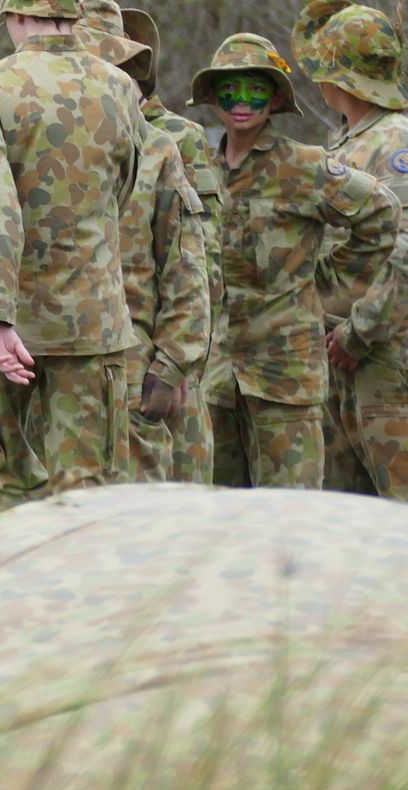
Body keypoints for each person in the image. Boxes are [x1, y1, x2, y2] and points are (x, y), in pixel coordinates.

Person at [187, 33, 400, 489]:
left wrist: (323, 283)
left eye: (255, 90)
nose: (241, 102)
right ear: (213, 96)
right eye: (229, 89)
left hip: (285, 380)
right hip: (218, 380)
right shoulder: (200, 167)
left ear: (275, 99)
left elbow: (382, 214)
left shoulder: (303, 165)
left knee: (291, 513)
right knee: (221, 514)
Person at [0, 0, 146, 508]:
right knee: (88, 500)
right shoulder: (119, 86)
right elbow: (123, 192)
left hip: (8, 326)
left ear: (15, 16)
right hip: (91, 323)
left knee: (13, 498)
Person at [75, 0, 211, 483]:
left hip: (136, 367)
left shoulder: (156, 149)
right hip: (54, 370)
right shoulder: (32, 143)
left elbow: (188, 266)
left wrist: (174, 363)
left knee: (147, 508)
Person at [291, 0, 408, 501]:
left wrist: (360, 332)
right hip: (343, 355)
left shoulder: (395, 144)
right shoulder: (349, 142)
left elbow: (404, 251)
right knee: (347, 512)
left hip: (382, 357)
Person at [122, 6, 225, 484]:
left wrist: (181, 360)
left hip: (167, 342)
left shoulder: (177, 136)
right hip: (116, 347)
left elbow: (204, 253)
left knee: (181, 485)